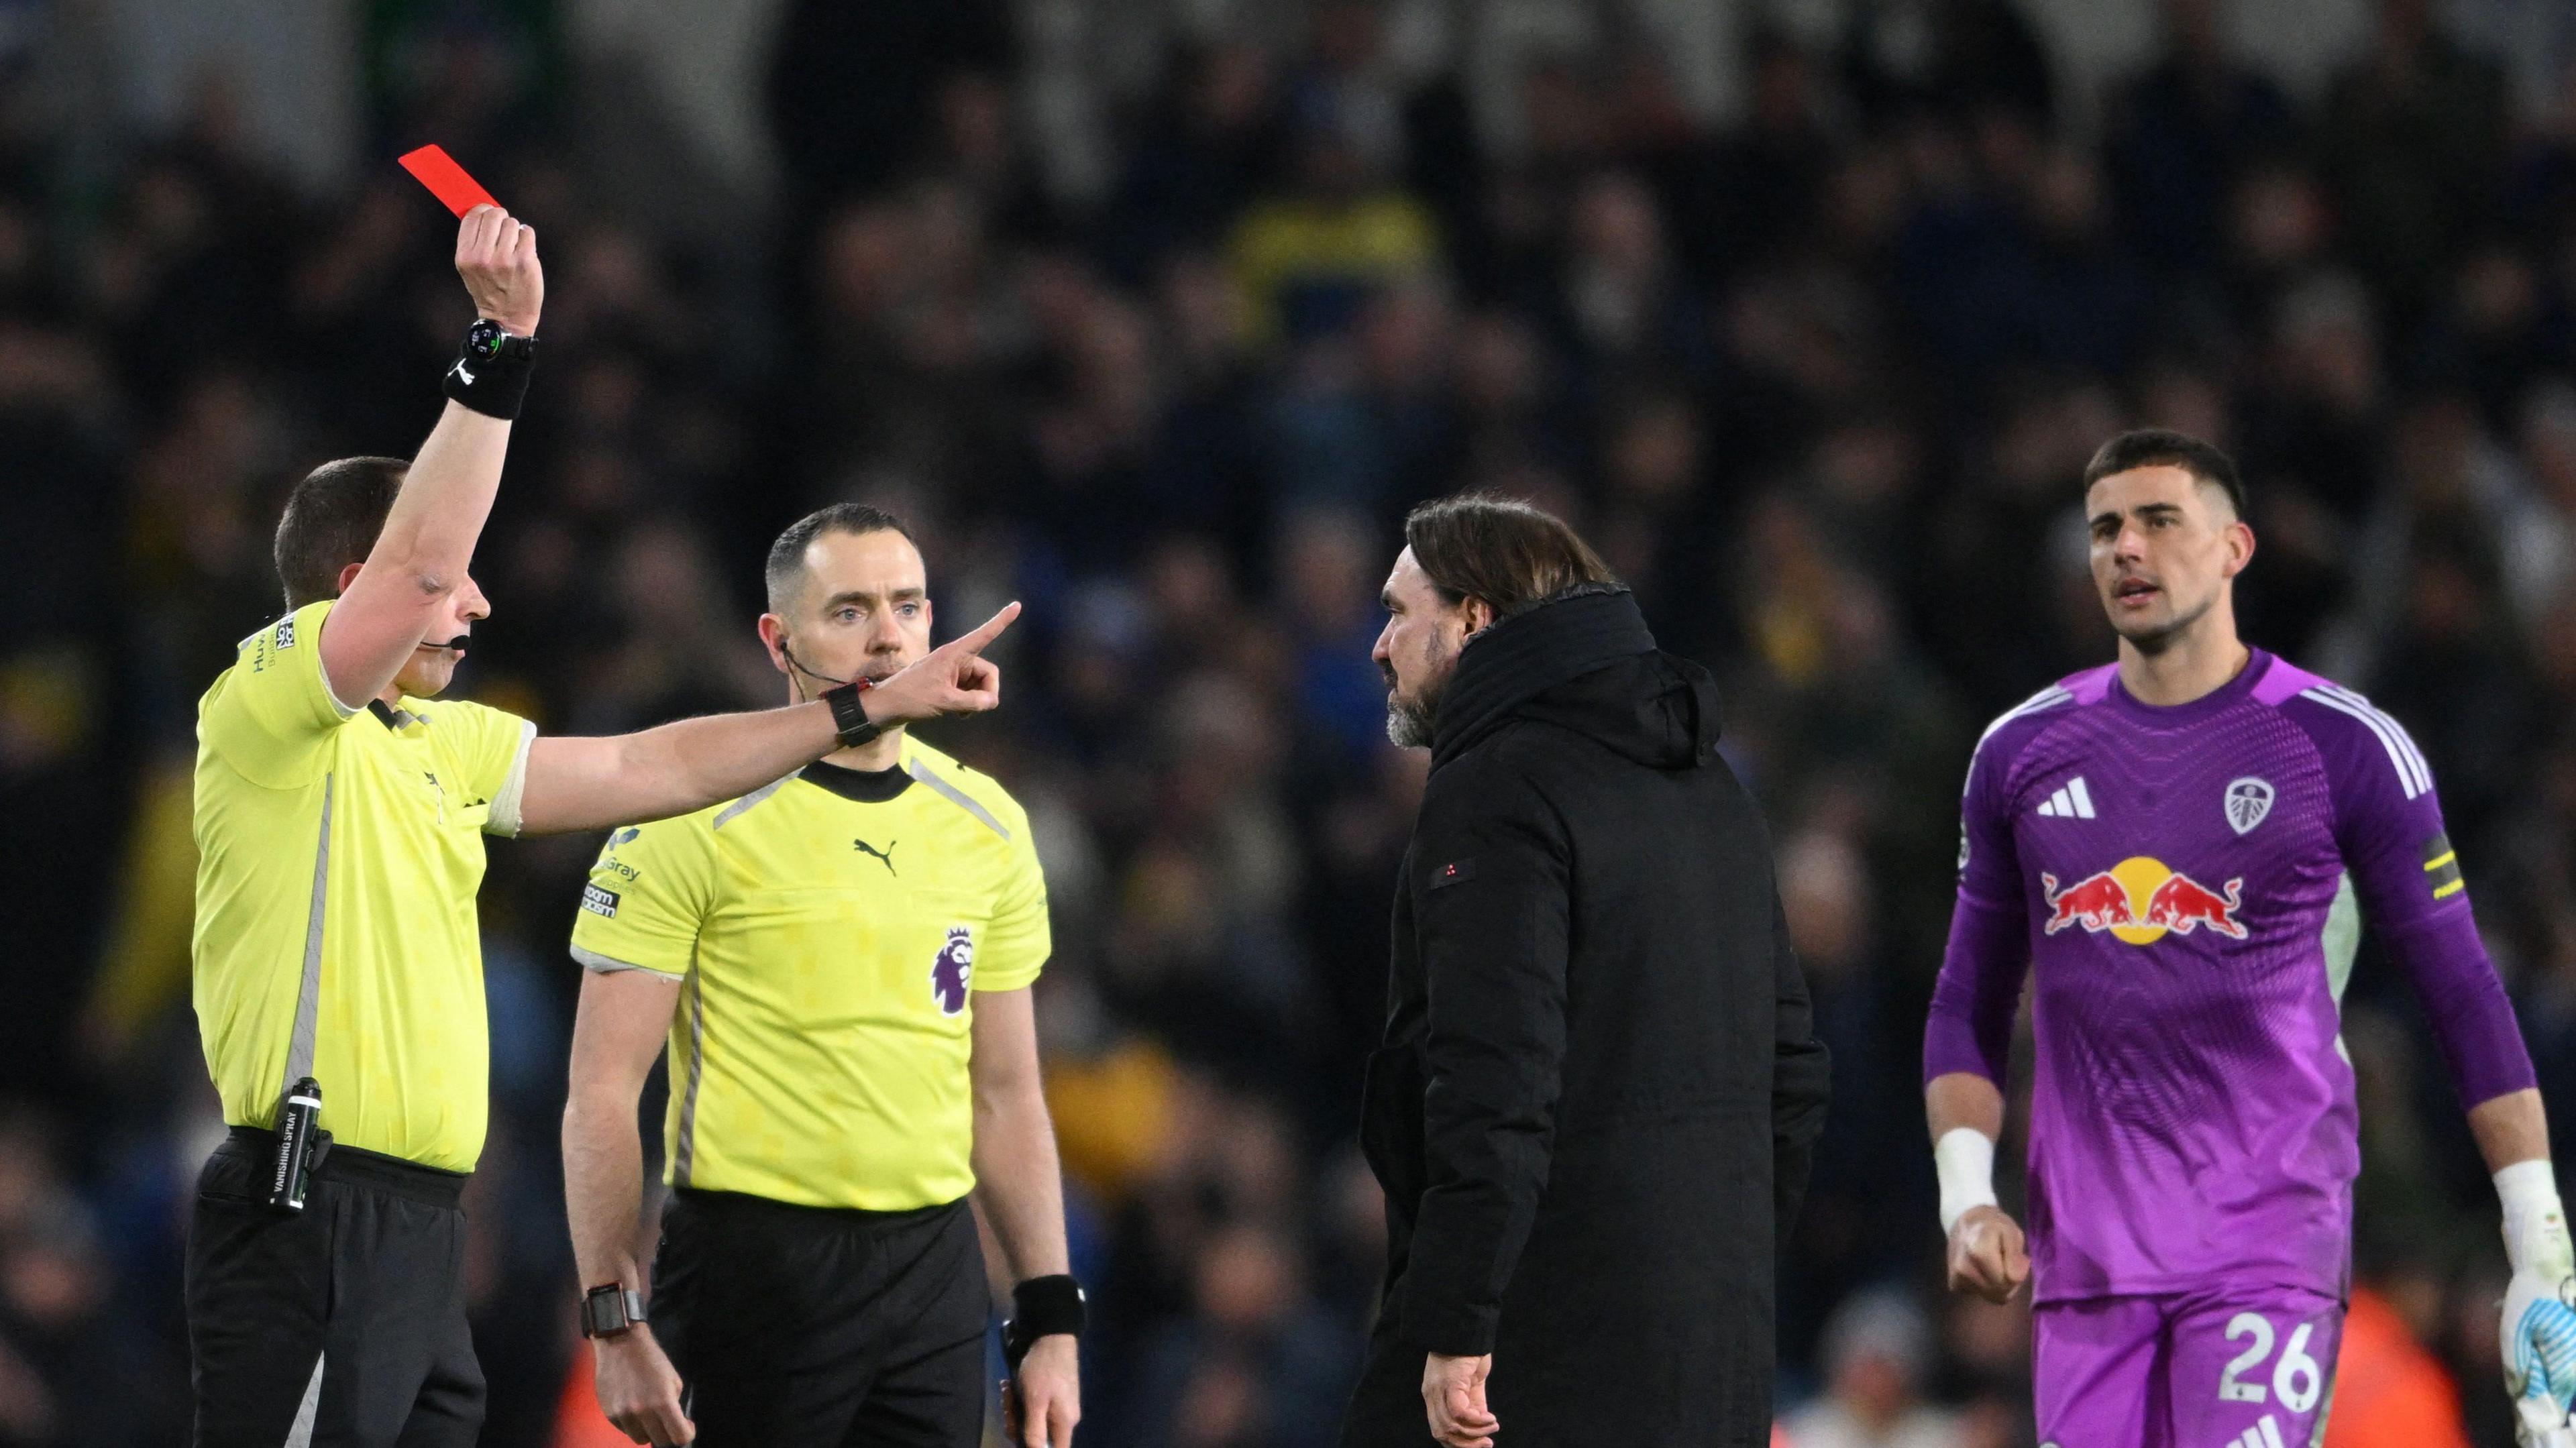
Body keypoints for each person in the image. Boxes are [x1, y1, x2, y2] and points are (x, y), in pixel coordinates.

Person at [186, 211, 1018, 1448]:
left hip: (418, 1229)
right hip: (310, 1215)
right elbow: (420, 571)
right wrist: (503, 343)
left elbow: (655, 763)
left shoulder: (442, 745)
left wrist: (860, 707)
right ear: (362, 572)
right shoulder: (271, 705)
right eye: (457, 572)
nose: (478, 597)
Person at [1924, 428, 2576, 1446]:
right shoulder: (2021, 754)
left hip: (2263, 1249)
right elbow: (1967, 1000)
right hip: (2085, 1266)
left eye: (2158, 522)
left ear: (2235, 548)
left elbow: (2464, 996)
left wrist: (2539, 1241)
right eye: (2104, 531)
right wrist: (1965, 1197)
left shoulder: (2342, 746)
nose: (2125, 551)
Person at [561, 504, 1079, 1448]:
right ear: (777, 638)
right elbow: (601, 1092)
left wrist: (1051, 1319)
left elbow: (1006, 1095)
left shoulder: (991, 825)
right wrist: (613, 1318)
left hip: (933, 1272)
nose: (889, 635)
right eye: (849, 612)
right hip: (751, 1269)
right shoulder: (687, 818)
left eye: (910, 606)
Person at [1339, 494, 1831, 1448]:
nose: (1378, 645)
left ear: (1475, 618)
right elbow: (1796, 1073)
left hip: (1540, 1342)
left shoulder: (1498, 788)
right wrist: (1711, 1256)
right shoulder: (1709, 781)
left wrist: (1456, 1321)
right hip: (1712, 1347)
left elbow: (1494, 1079)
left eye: (1400, 612)